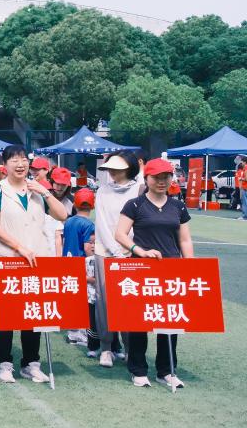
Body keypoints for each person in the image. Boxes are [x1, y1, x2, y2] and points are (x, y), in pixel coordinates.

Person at [0, 144, 69, 385]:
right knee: (6, 316)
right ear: (4, 165)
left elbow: (62, 215)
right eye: (14, 160)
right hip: (7, 259)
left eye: (23, 159)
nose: (20, 164)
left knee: (32, 314)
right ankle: (4, 363)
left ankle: (31, 363)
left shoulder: (37, 190)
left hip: (36, 259)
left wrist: (46, 193)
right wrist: (18, 247)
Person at [114, 159, 194, 388]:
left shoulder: (178, 206)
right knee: (139, 322)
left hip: (171, 271)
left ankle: (166, 371)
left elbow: (185, 240)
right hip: (141, 270)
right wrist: (141, 251)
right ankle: (138, 370)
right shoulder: (135, 205)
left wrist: (191, 267)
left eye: (166, 177)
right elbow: (120, 234)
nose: (161, 181)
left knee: (169, 320)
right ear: (146, 178)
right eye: (156, 177)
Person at [92, 150, 142, 368]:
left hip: (132, 251)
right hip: (105, 250)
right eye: (110, 168)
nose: (112, 172)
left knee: (129, 300)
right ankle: (106, 348)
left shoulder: (140, 189)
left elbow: (140, 222)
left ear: (129, 168)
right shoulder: (103, 190)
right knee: (104, 301)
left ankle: (130, 348)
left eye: (117, 168)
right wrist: (115, 250)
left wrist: (129, 248)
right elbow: (101, 223)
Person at [62, 188, 96, 348]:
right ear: (92, 206)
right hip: (82, 263)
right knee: (85, 301)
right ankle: (82, 334)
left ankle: (72, 334)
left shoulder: (69, 221)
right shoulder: (89, 224)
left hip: (68, 262)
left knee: (73, 300)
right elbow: (88, 247)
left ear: (75, 205)